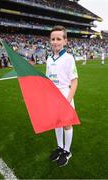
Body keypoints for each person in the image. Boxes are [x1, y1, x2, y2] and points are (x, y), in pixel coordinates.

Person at [46, 26, 79, 167]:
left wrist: (68, 99)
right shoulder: (48, 58)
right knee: (56, 123)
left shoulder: (69, 58)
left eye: (58, 39)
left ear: (65, 41)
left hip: (65, 95)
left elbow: (75, 80)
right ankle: (60, 147)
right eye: (53, 39)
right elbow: (48, 80)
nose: (55, 41)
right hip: (52, 96)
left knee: (66, 124)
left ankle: (67, 151)